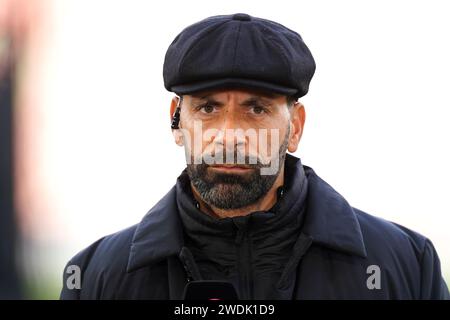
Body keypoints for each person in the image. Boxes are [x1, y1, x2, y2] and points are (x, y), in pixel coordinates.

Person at [60, 13, 449, 299]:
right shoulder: (97, 278)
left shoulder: (406, 267)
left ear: (294, 127)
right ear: (177, 122)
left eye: (256, 109)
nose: (230, 134)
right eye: (208, 108)